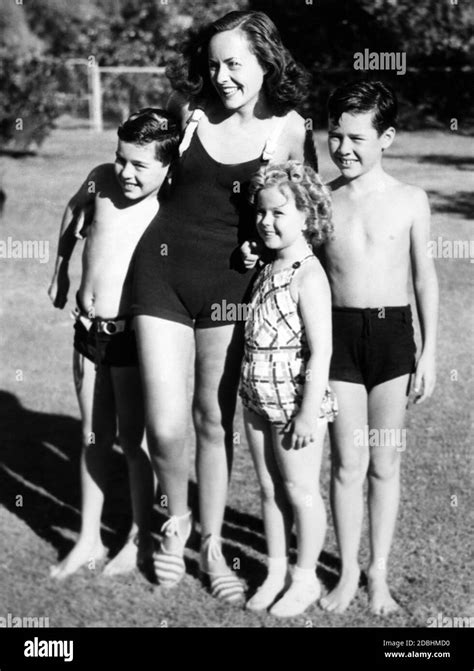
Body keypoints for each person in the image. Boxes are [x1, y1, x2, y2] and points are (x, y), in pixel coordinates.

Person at [131, 10, 317, 602]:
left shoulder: (289, 127)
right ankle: (174, 521)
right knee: (164, 426)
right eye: (213, 64)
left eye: (235, 63)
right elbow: (136, 163)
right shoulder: (188, 115)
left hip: (233, 289)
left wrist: (266, 244)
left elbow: (301, 213)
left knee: (212, 421)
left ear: (266, 61)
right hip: (160, 274)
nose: (223, 76)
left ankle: (210, 544)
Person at [318, 81, 438, 614]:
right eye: (335, 135)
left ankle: (378, 573)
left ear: (386, 137)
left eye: (357, 138)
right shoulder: (320, 197)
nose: (343, 148)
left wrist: (429, 351)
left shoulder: (412, 200)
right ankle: (344, 572)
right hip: (338, 339)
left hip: (393, 341)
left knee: (384, 463)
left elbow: (424, 279)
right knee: (347, 462)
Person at [48, 108, 181, 579]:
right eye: (121, 158)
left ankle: (140, 537)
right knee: (93, 436)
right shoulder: (100, 180)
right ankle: (87, 539)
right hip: (87, 333)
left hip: (132, 341)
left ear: (167, 165)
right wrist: (60, 267)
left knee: (133, 442)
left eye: (139, 165)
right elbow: (71, 211)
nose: (126, 171)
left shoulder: (169, 203)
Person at [240, 161, 337, 617]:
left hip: (296, 403)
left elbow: (321, 352)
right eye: (261, 213)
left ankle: (305, 578)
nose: (266, 222)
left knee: (300, 491)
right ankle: (275, 571)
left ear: (307, 214)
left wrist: (306, 412)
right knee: (268, 487)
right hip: (256, 397)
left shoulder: (308, 275)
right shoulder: (267, 265)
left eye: (279, 213)